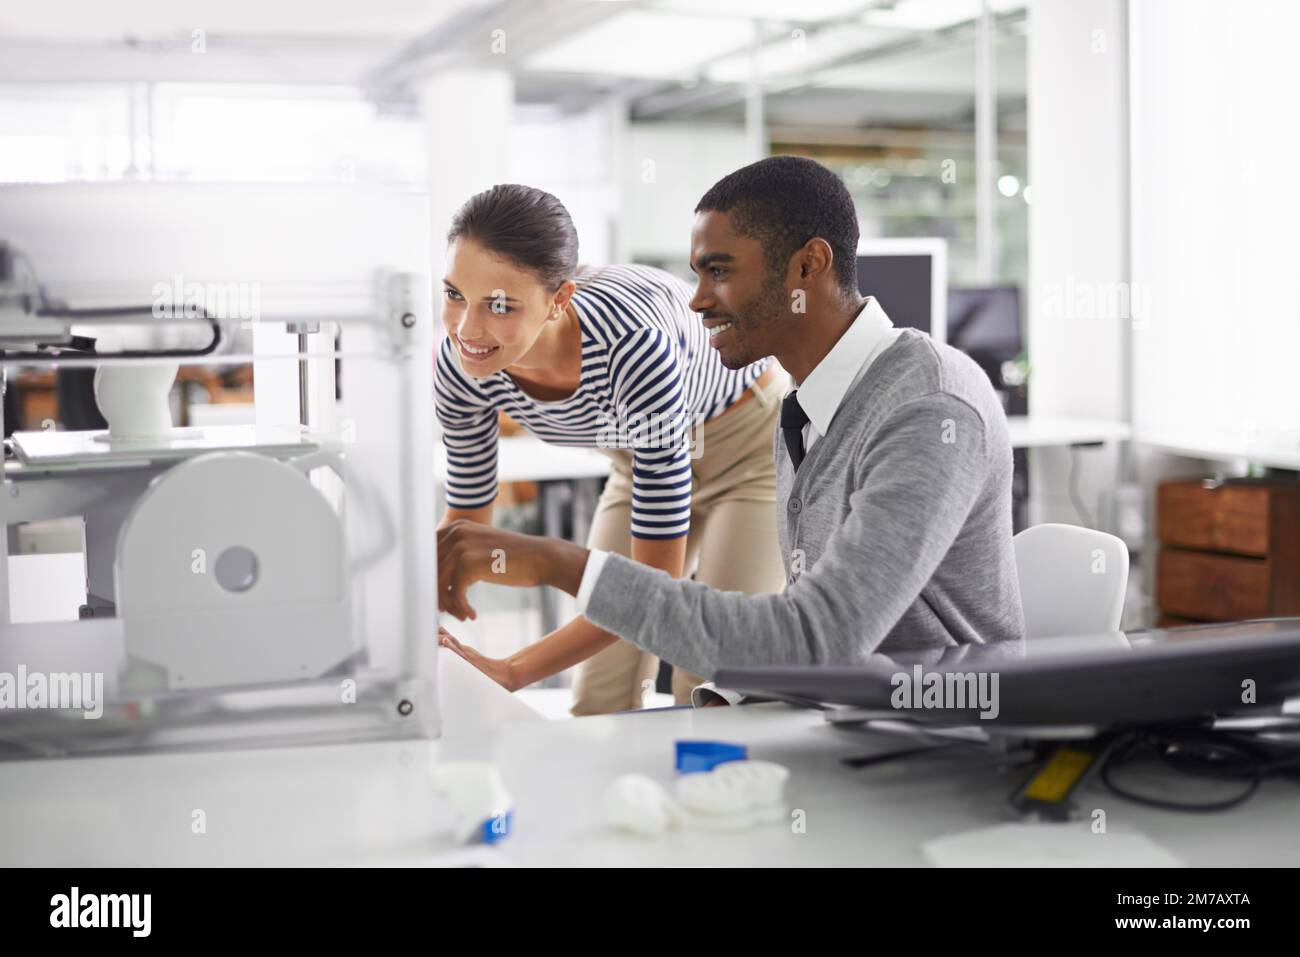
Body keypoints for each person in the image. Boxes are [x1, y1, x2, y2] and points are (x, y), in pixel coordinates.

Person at [438, 156, 1025, 692]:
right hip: (859, 722)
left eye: (719, 271)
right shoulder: (812, 408)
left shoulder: (928, 407)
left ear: (807, 265)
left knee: (703, 682)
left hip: (945, 746)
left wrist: (555, 562)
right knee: (657, 693)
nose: (695, 302)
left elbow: (814, 642)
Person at [434, 183, 787, 713]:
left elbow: (655, 588)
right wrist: (424, 610)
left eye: (500, 305)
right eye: (455, 294)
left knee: (707, 676)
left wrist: (511, 670)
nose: (467, 328)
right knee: (600, 691)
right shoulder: (460, 366)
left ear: (558, 300)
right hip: (638, 453)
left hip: (746, 445)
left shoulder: (632, 349)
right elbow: (467, 530)